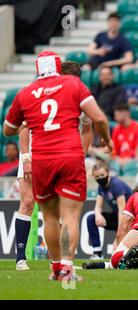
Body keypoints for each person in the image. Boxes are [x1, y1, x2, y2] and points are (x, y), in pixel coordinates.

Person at [3, 51, 113, 281]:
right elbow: (100, 120)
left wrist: (80, 155)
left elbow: (10, 128)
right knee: (51, 210)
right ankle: (48, 263)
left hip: (44, 158)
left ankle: (57, 268)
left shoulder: (28, 94)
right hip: (47, 156)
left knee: (50, 216)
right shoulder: (74, 90)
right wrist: (25, 157)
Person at [13, 60, 93, 272]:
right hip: (35, 154)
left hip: (62, 158)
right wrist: (25, 158)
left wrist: (80, 156)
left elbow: (87, 129)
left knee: (59, 211)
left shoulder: (80, 96)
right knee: (28, 202)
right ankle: (20, 258)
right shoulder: (41, 93)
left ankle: (57, 261)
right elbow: (23, 128)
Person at [86, 162, 133, 259]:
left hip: (130, 219)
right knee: (91, 218)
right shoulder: (101, 187)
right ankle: (98, 253)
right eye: (97, 176)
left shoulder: (116, 185)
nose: (100, 178)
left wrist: (118, 236)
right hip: (118, 217)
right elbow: (98, 206)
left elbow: (122, 211)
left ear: (108, 173)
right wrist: (98, 214)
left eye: (102, 175)